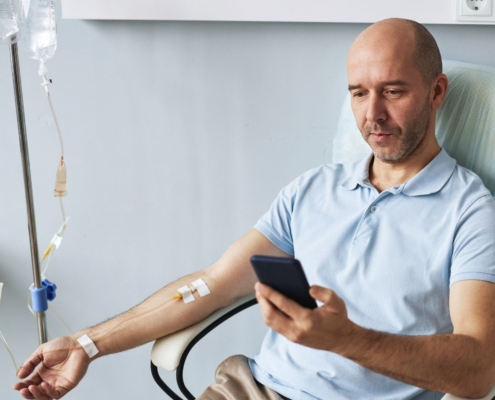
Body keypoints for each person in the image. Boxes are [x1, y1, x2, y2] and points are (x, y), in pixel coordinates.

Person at [14, 18, 495, 400]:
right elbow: (208, 287)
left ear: (436, 93)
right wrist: (86, 344)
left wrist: (346, 339)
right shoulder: (313, 190)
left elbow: (477, 369)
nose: (373, 115)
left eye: (393, 91)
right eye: (358, 93)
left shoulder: (469, 212)